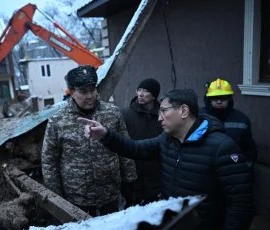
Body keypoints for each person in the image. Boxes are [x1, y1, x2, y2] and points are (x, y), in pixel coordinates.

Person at [78, 89, 254, 230]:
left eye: (164, 110)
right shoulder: (167, 140)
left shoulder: (222, 147)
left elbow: (240, 204)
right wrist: (105, 135)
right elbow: (135, 148)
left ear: (183, 111)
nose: (160, 117)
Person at [41, 65, 137, 217]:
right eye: (83, 91)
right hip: (77, 199)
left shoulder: (112, 113)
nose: (90, 95)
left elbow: (124, 147)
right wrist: (56, 198)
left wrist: (130, 181)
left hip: (110, 193)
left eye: (92, 89)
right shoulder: (58, 120)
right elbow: (49, 161)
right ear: (72, 93)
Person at [121, 78, 163, 206]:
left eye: (145, 91)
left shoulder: (163, 115)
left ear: (154, 95)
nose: (140, 94)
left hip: (156, 173)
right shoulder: (125, 114)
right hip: (132, 174)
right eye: (139, 90)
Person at [200, 78, 258, 163]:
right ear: (208, 99)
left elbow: (248, 147)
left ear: (229, 99)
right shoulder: (199, 117)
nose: (219, 101)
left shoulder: (241, 119)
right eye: (215, 98)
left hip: (232, 165)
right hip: (205, 165)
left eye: (223, 98)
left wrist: (247, 166)